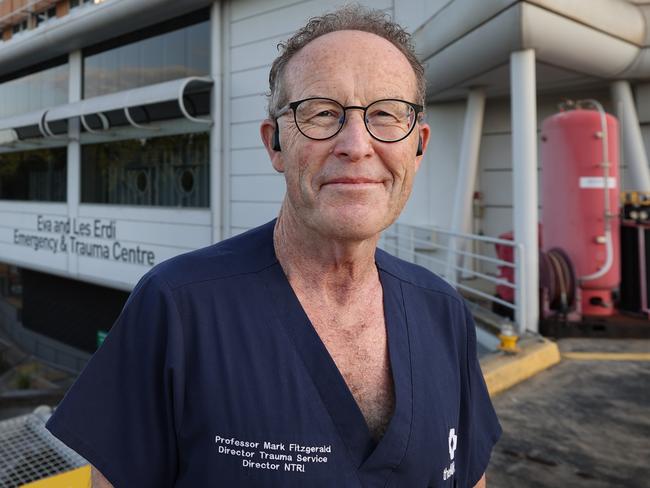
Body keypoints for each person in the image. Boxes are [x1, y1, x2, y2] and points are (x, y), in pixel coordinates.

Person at [46, 6, 500, 487]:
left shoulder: (444, 314)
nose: (357, 143)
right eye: (322, 113)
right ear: (275, 145)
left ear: (418, 145)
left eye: (386, 114)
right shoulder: (177, 307)